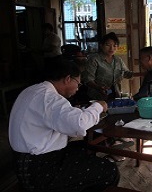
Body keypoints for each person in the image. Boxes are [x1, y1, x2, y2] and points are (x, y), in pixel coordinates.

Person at [9, 59, 119, 192]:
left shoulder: (32, 90)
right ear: (68, 79)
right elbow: (79, 125)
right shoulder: (49, 98)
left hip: (25, 162)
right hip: (41, 170)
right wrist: (98, 107)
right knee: (109, 171)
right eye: (78, 83)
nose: (78, 89)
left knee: (85, 148)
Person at [83, 32, 133, 101]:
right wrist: (99, 88)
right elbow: (88, 79)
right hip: (96, 96)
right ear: (101, 45)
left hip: (115, 94)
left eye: (115, 46)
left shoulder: (118, 60)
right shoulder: (94, 59)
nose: (111, 48)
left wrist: (142, 73)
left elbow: (126, 73)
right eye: (108, 45)